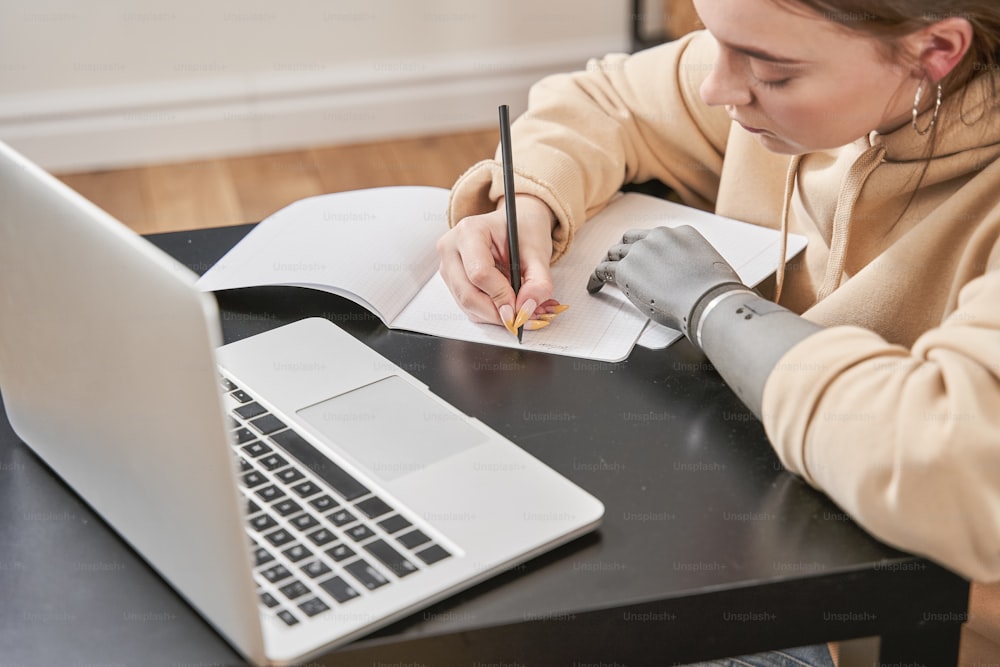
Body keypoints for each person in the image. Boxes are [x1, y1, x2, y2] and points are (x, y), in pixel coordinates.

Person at [436, 0, 1000, 664]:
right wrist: (529, 200)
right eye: (714, 40)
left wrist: (714, 307)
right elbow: (609, 98)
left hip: (899, 620)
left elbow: (949, 455)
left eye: (773, 72)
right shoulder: (828, 58)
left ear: (937, 50)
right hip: (747, 532)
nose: (715, 88)